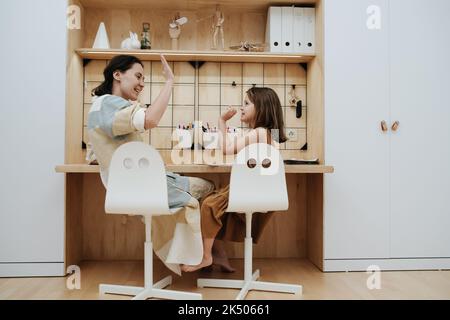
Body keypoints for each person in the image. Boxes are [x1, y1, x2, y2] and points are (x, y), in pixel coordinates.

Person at [181, 87, 288, 272]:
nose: (241, 108)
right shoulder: (272, 134)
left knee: (208, 205)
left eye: (246, 103)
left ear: (261, 107)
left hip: (248, 190)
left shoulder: (258, 132)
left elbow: (226, 149)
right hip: (263, 190)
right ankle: (219, 255)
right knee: (214, 203)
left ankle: (206, 257)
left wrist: (222, 121)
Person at [87, 54, 213, 208]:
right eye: (138, 76)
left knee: (204, 187)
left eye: (143, 79)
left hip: (132, 184)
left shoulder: (101, 106)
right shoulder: (108, 103)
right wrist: (169, 81)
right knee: (208, 188)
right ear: (117, 74)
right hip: (140, 185)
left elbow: (95, 153)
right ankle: (188, 230)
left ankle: (182, 229)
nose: (142, 84)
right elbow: (150, 119)